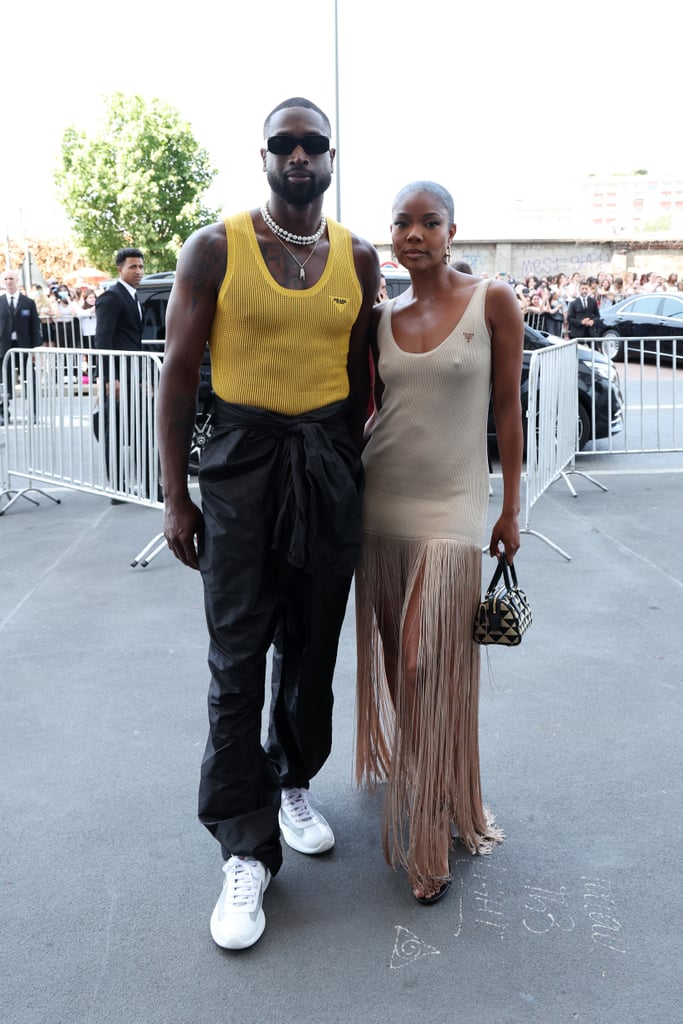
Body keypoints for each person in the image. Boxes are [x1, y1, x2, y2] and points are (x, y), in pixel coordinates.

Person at [156, 96, 379, 950]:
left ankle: (291, 782)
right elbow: (179, 376)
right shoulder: (214, 248)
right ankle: (242, 849)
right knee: (237, 652)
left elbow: (365, 379)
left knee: (312, 644)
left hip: (324, 464)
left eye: (311, 143)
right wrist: (177, 495)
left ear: (330, 156)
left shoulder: (357, 257)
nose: (297, 156)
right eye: (282, 144)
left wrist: (347, 464)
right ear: (263, 157)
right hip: (243, 466)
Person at [355, 181, 523, 904]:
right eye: (401, 222)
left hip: (454, 508)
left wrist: (511, 509)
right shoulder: (379, 316)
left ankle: (429, 831)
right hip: (380, 502)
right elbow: (368, 408)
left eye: (428, 222)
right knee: (400, 663)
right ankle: (431, 780)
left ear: (453, 230)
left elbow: (508, 410)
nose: (413, 233)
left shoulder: (493, 301)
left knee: (427, 662)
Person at [94, 248, 145, 499]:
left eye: (141, 267)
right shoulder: (111, 297)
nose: (138, 272)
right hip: (117, 377)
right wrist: (107, 378)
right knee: (113, 432)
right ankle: (116, 488)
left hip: (133, 375)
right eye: (133, 267)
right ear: (120, 269)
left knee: (140, 429)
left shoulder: (134, 297)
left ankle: (146, 483)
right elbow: (103, 339)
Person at [0, 269, 43, 425]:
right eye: (6, 279)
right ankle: (3, 413)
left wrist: (35, 349)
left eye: (11, 278)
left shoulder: (28, 303)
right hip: (3, 347)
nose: (9, 281)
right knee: (3, 382)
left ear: (16, 280)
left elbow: (35, 326)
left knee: (29, 381)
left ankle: (32, 412)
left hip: (24, 347)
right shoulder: (0, 301)